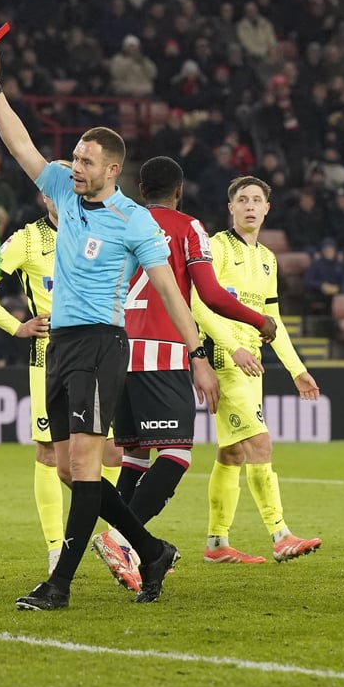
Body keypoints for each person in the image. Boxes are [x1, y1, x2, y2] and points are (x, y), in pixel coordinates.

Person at [0, 41, 214, 612]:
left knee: (84, 465)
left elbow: (168, 290)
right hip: (61, 345)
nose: (71, 167)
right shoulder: (61, 189)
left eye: (83, 161)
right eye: (73, 158)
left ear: (111, 169)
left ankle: (59, 586)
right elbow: (21, 146)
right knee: (63, 468)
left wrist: (197, 350)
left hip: (103, 346)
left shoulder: (136, 223)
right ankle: (151, 549)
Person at [94, 157, 276, 590]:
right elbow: (209, 294)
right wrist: (258, 320)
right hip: (161, 352)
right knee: (176, 456)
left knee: (136, 457)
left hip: (116, 352)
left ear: (139, 188)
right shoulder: (187, 227)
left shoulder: (115, 221)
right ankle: (123, 539)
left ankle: (122, 549)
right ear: (179, 190)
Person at [0, 160, 125, 575]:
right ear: (45, 194)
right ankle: (57, 549)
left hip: (97, 352)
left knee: (112, 449)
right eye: (58, 187)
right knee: (52, 454)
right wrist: (17, 326)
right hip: (50, 356)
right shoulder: (29, 240)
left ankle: (119, 542)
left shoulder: (102, 227)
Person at [191, 176, 323, 565]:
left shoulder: (268, 258)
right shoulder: (215, 246)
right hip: (225, 359)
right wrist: (231, 349)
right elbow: (199, 305)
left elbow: (271, 319)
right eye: (242, 200)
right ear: (230, 208)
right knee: (260, 444)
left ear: (268, 208)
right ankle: (280, 534)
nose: (250, 206)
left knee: (232, 453)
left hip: (252, 363)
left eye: (257, 200)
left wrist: (297, 369)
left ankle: (216, 543)